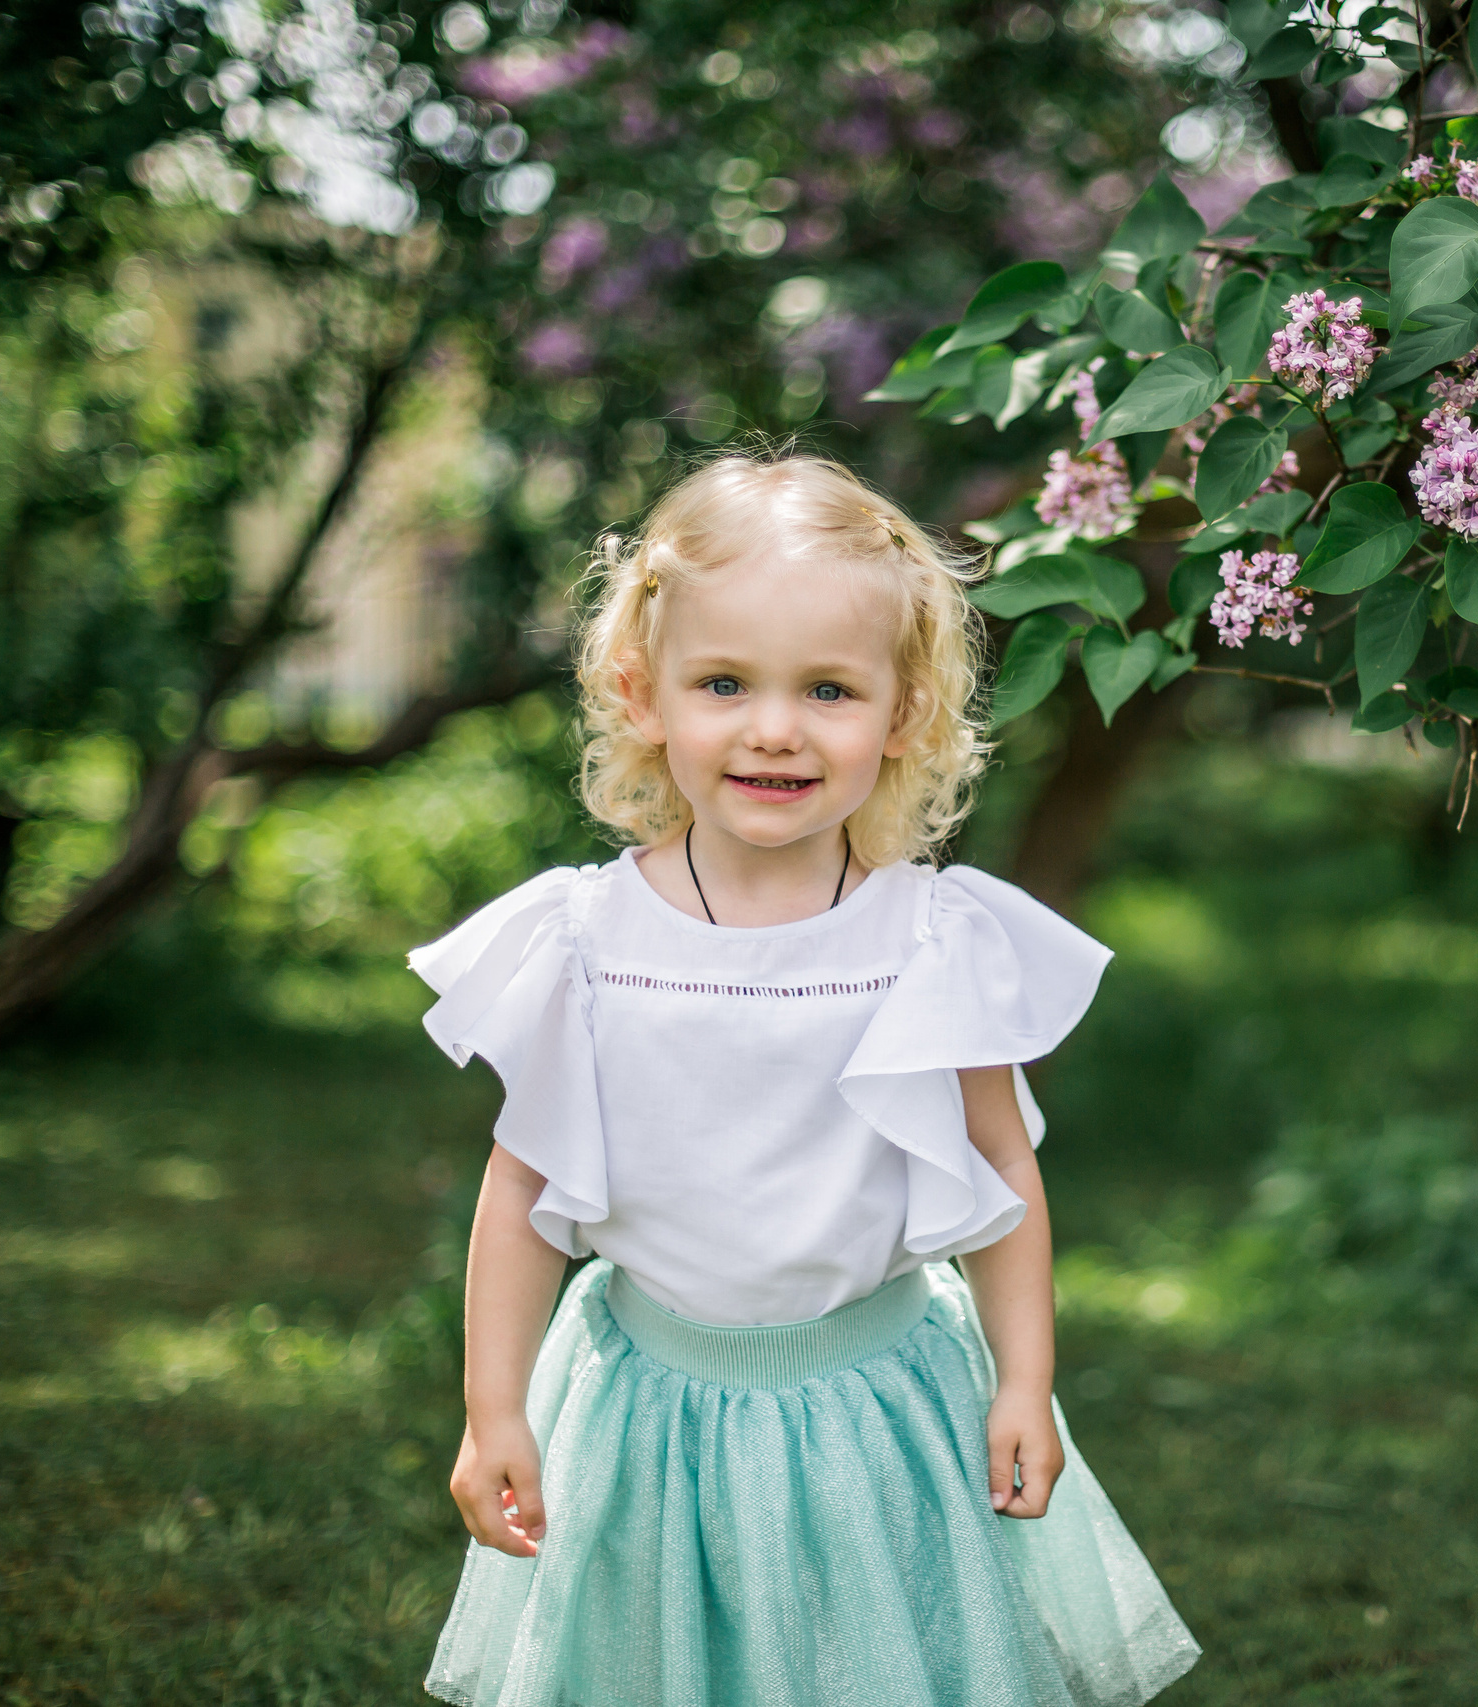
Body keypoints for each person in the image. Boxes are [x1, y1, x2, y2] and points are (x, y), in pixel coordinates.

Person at [408, 451, 1201, 1706]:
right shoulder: (583, 942)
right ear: (643, 692)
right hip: (643, 1427)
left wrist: (1026, 1381)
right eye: (724, 683)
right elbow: (522, 1189)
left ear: (902, 715)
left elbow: (1000, 1166)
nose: (774, 727)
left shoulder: (932, 939)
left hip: (880, 1418)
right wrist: (490, 1407)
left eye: (828, 689)